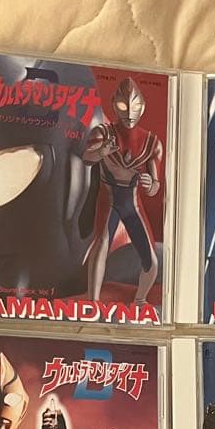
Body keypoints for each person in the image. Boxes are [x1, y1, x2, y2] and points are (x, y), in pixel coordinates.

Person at [82, 77, 163, 308]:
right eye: (122, 106)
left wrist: (150, 183)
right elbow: (87, 158)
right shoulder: (103, 132)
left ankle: (140, 300)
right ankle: (93, 302)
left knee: (151, 262)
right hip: (108, 199)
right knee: (101, 247)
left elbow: (155, 186)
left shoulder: (151, 142)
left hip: (132, 203)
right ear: (114, 105)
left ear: (142, 108)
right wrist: (102, 152)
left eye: (134, 106)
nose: (129, 113)